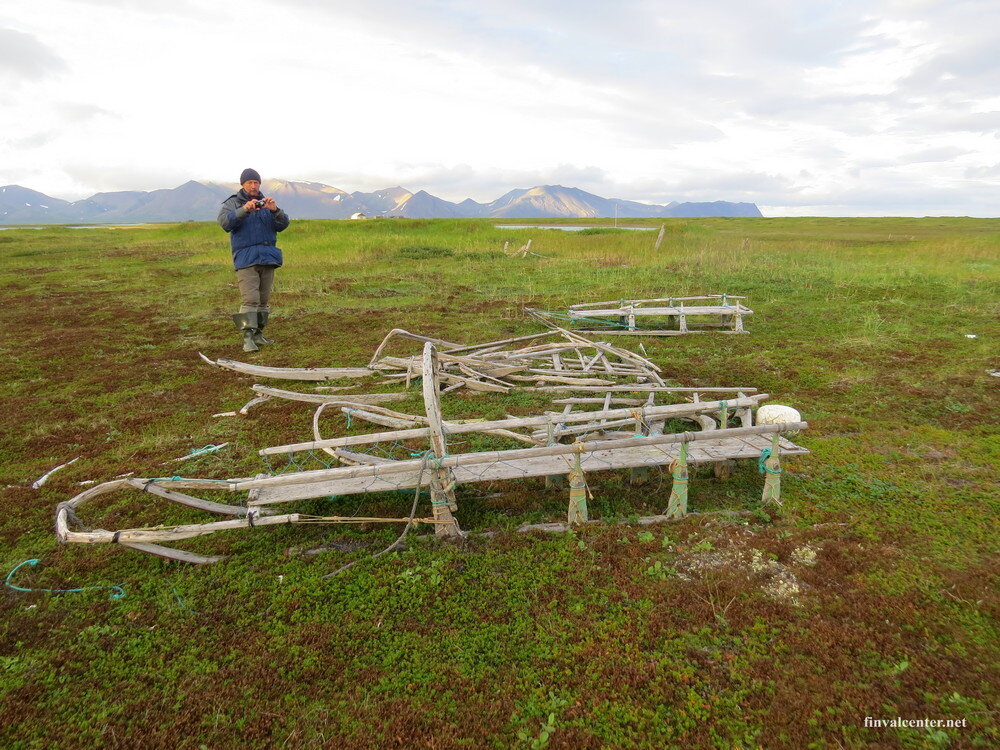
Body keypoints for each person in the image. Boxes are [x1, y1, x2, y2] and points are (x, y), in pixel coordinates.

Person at [217, 168, 290, 352]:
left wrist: (275, 210)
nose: (253, 186)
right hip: (246, 259)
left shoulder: (267, 204)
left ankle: (259, 335)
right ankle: (247, 339)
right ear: (242, 184)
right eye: (249, 182)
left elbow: (283, 225)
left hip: (268, 258)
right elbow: (225, 223)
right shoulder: (232, 203)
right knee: (250, 299)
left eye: (256, 182)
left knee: (263, 300)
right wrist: (244, 210)